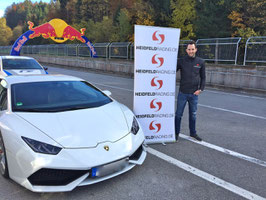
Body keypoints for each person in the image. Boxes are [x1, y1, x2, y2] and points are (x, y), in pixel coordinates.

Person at [175, 41, 206, 141]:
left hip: (194, 94)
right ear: (186, 50)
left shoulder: (201, 62)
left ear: (196, 49)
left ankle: (193, 133)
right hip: (182, 93)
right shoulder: (181, 61)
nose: (191, 51)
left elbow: (203, 77)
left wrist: (200, 89)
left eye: (192, 49)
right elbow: (171, 71)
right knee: (178, 114)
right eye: (189, 49)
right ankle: (175, 133)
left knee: (193, 115)